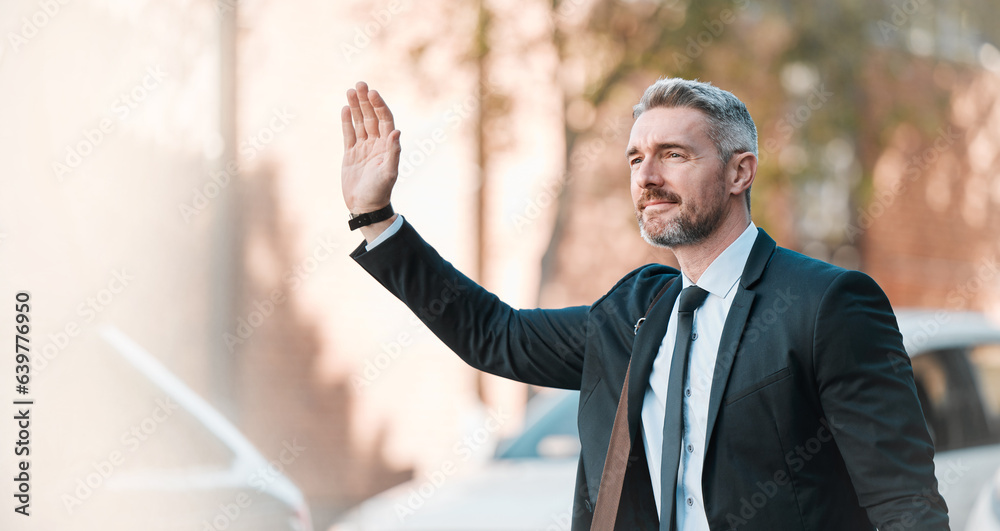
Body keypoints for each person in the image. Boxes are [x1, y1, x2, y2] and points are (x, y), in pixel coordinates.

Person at [340, 78, 949, 530]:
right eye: (636, 158)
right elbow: (493, 335)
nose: (647, 176)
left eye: (674, 155)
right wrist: (377, 219)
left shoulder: (826, 304)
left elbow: (904, 502)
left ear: (741, 172)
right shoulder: (633, 311)